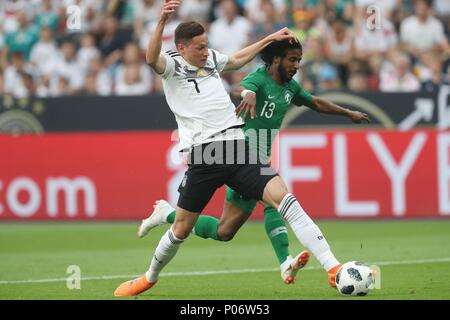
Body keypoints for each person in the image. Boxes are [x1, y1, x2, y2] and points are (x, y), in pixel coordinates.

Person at [114, 0, 354, 297]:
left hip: (237, 147)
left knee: (283, 198)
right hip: (204, 154)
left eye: (207, 45)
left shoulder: (211, 59)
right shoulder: (172, 66)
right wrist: (161, 21)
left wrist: (269, 39)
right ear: (182, 47)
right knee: (181, 230)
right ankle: (149, 276)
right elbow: (151, 57)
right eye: (200, 47)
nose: (206, 52)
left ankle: (333, 268)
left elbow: (238, 59)